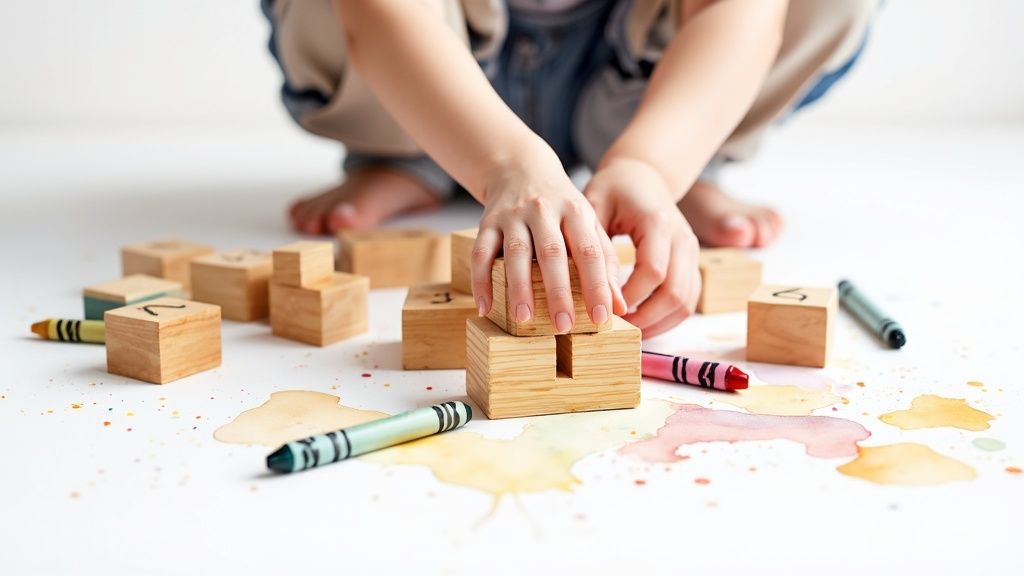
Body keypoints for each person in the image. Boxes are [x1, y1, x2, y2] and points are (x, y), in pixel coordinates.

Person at [263, 0, 875, 336]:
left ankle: (675, 170)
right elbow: (379, 13)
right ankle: (409, 152)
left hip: (639, 73)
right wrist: (508, 163)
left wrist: (650, 165)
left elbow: (739, 13)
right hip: (433, 66)